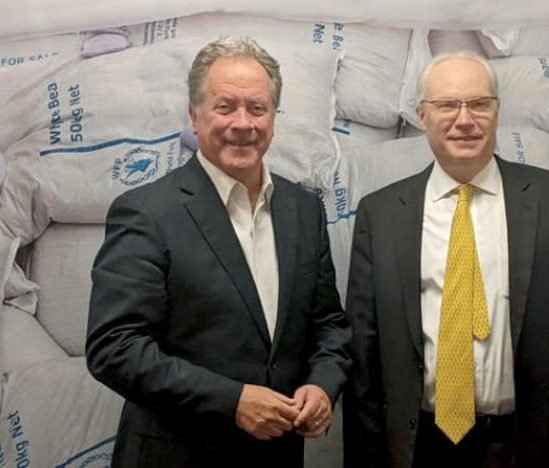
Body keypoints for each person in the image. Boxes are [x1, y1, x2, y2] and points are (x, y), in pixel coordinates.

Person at [343, 51, 549, 468]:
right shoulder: (382, 213)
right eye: (447, 105)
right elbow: (363, 352)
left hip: (531, 441)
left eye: (479, 104)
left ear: (496, 111)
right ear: (422, 116)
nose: (465, 119)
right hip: (420, 444)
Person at [86, 36, 351, 468]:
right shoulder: (148, 212)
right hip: (176, 456)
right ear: (194, 115)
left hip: (276, 455)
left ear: (273, 117)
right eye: (225, 107)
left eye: (257, 108)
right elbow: (114, 347)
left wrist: (322, 385)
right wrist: (233, 401)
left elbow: (329, 325)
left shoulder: (303, 210)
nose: (243, 123)